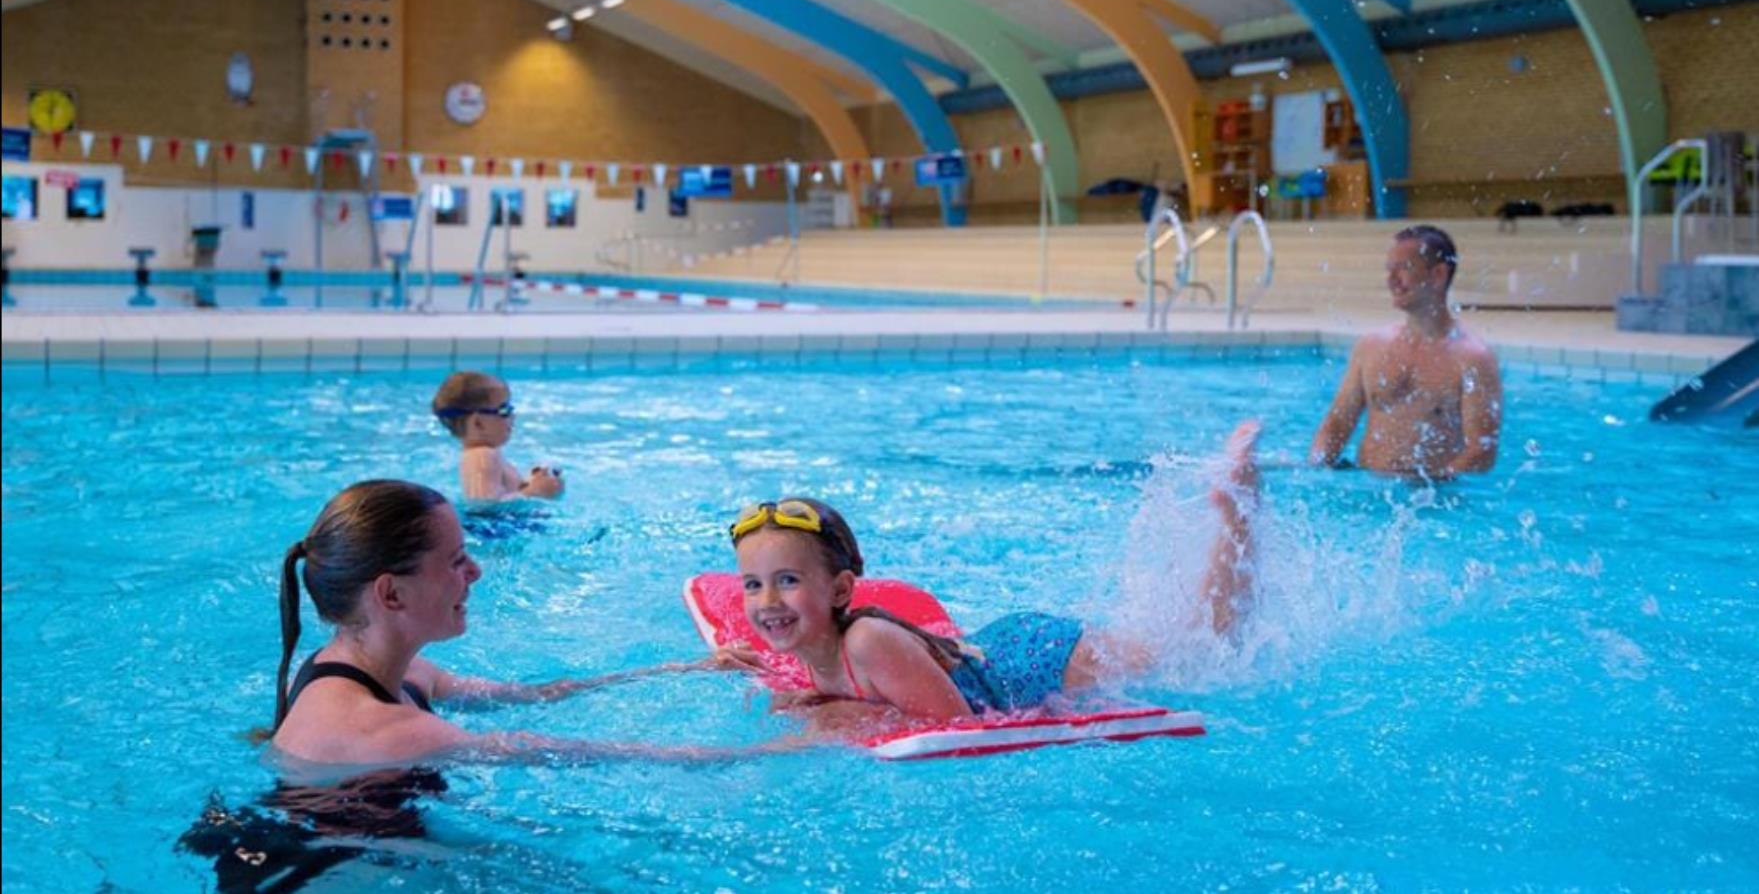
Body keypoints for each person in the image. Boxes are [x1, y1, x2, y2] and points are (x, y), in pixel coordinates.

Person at [726, 422, 1260, 731]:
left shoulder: (866, 641)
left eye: (787, 581)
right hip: (988, 650)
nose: (768, 600)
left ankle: (1239, 510)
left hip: (1037, 663)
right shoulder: (810, 645)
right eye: (754, 584)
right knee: (1194, 647)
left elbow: (957, 724)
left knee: (1202, 650)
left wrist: (841, 714)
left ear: (841, 589)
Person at [268, 479, 763, 766]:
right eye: (456, 561)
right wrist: (781, 749)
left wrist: (682, 669)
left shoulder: (389, 670)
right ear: (391, 593)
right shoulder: (385, 732)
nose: (475, 572)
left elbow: (535, 695)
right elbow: (577, 754)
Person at [1309, 225, 1503, 478]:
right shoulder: (1371, 347)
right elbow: (1337, 423)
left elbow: (1481, 452)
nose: (1391, 280)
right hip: (1366, 488)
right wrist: (1316, 471)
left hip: (1434, 495)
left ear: (1438, 274)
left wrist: (1428, 486)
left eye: (1403, 268)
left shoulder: (1472, 359)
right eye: (1389, 269)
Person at [432, 372, 563, 502]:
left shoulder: (485, 454)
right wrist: (534, 492)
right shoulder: (482, 455)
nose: (513, 416)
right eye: (504, 410)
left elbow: (503, 496)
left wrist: (534, 482)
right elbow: (484, 505)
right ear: (478, 423)